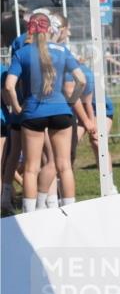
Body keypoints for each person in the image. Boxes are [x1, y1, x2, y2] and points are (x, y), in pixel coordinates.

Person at [3, 13, 92, 212]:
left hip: (33, 112)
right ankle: (70, 210)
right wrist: (69, 101)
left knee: (31, 168)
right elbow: (82, 80)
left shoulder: (22, 53)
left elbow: (9, 86)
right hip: (61, 110)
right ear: (49, 28)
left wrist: (17, 108)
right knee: (64, 165)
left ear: (30, 29)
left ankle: (30, 214)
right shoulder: (62, 50)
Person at [78, 61, 115, 188]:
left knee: (98, 141)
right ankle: (58, 192)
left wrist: (90, 123)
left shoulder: (84, 75)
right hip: (77, 110)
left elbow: (86, 102)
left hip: (101, 108)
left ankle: (109, 186)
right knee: (67, 148)